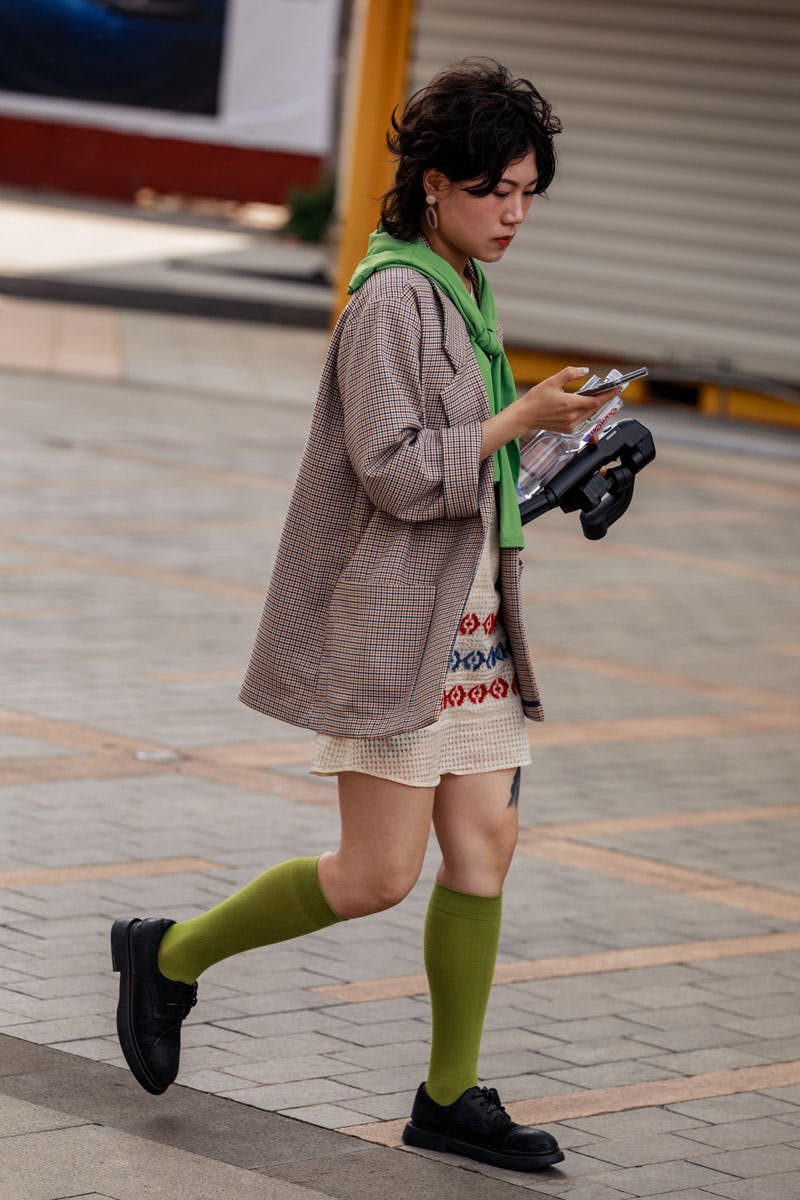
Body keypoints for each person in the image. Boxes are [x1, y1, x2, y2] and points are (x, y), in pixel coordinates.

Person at [111, 59, 610, 1174]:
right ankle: (169, 955)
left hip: (473, 621)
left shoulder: (461, 285)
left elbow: (470, 466)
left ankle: (447, 1097)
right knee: (373, 876)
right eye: (496, 191)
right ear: (434, 183)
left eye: (529, 191)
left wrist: (562, 443)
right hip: (398, 626)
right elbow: (391, 470)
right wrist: (513, 415)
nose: (514, 212)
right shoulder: (390, 298)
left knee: (485, 846)